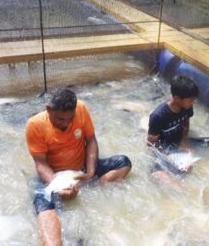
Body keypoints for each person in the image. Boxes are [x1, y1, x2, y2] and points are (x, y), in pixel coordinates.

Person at [26, 88, 132, 246]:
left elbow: (91, 140)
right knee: (43, 205)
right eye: (60, 119)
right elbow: (40, 164)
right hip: (54, 177)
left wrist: (89, 172)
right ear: (49, 109)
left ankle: (98, 185)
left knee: (124, 162)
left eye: (70, 118)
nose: (66, 123)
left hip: (81, 170)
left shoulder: (81, 108)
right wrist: (57, 187)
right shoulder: (35, 125)